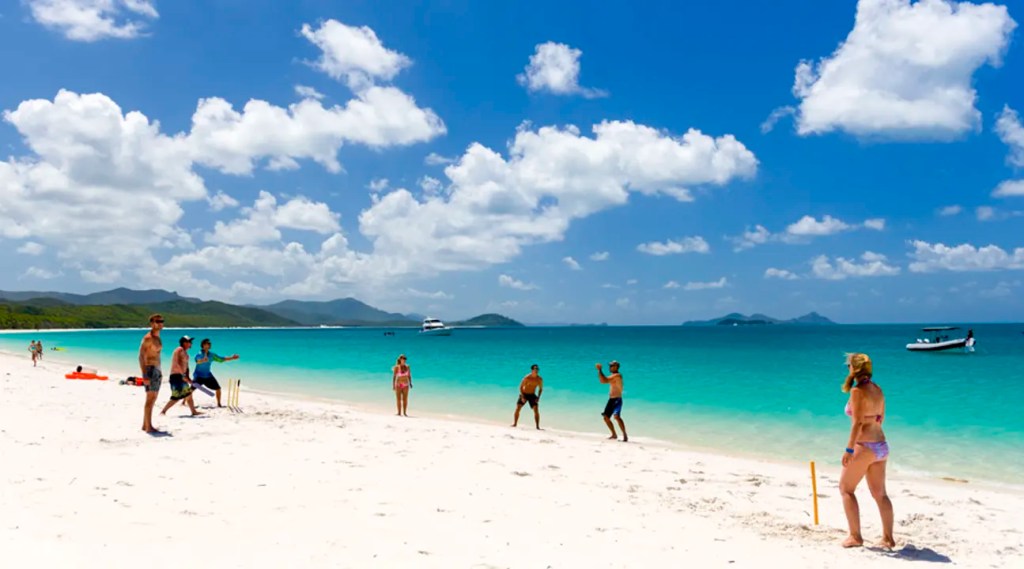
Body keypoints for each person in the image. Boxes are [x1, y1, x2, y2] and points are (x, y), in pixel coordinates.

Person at [839, 353, 895, 550]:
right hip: (881, 445)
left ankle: (855, 536)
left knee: (846, 489)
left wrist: (849, 449)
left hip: (865, 446)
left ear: (854, 369)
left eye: (848, 366)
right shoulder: (878, 389)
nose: (847, 369)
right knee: (880, 494)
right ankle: (888, 538)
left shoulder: (857, 391)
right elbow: (881, 418)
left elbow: (857, 423)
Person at [161, 336, 202, 417]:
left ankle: (193, 411)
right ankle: (163, 411)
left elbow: (186, 367)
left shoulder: (186, 354)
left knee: (188, 394)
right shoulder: (179, 350)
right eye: (189, 342)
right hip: (176, 376)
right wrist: (183, 375)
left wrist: (188, 377)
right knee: (176, 396)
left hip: (182, 376)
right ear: (184, 343)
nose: (191, 344)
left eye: (190, 342)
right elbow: (177, 363)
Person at [193, 338, 239, 408]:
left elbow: (221, 359)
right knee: (190, 390)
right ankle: (184, 402)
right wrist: (202, 360)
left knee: (218, 388)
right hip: (198, 376)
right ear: (202, 345)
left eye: (209, 344)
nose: (208, 345)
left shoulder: (212, 355)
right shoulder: (199, 354)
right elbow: (197, 361)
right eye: (206, 344)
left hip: (208, 376)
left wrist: (232, 358)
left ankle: (219, 404)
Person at [138, 314, 165, 434]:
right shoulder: (148, 338)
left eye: (161, 321)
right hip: (150, 369)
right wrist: (144, 375)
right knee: (150, 398)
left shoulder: (157, 337)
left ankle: (145, 424)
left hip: (157, 369)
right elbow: (141, 356)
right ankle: (149, 426)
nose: (160, 323)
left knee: (154, 398)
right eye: (157, 321)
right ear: (152, 323)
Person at [596, 360, 628, 442]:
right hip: (611, 399)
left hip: (617, 399)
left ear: (616, 367)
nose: (610, 367)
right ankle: (614, 434)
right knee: (606, 418)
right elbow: (602, 381)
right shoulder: (613, 376)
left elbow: (604, 380)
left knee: (616, 416)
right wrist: (599, 371)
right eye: (610, 366)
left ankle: (625, 435)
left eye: (611, 366)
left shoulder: (617, 375)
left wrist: (600, 370)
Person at [512, 364, 544, 429]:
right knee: (518, 408)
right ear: (532, 370)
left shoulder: (539, 379)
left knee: (536, 410)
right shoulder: (527, 378)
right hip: (524, 394)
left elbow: (540, 389)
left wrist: (538, 397)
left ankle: (537, 427)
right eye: (535, 369)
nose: (536, 370)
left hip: (532, 394)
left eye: (537, 369)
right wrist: (522, 396)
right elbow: (521, 387)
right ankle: (515, 424)